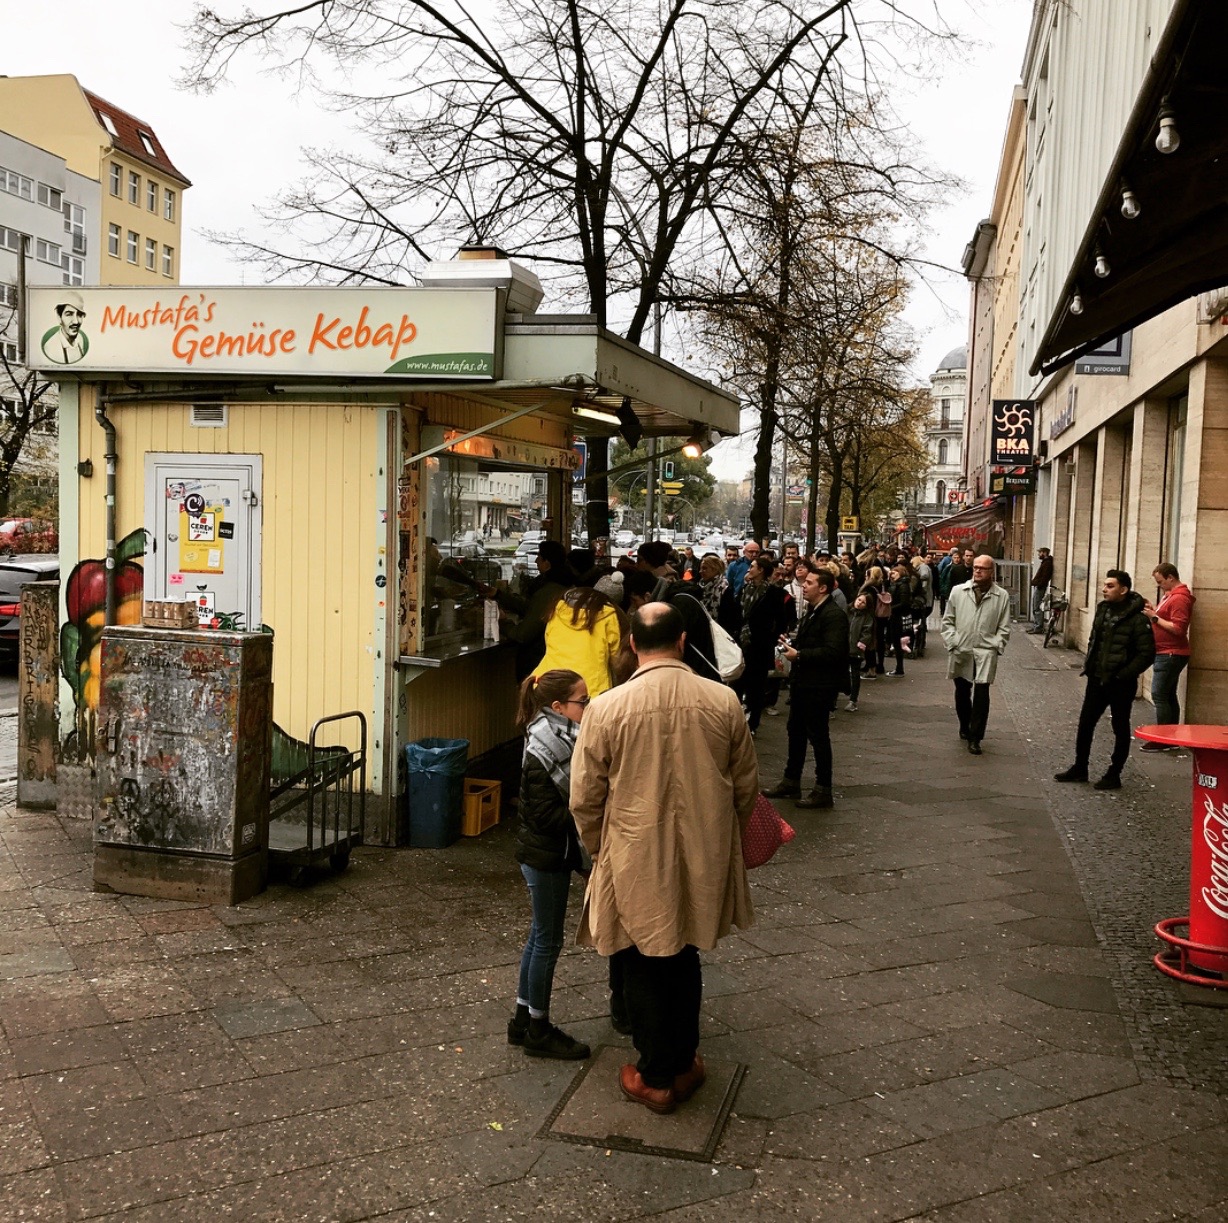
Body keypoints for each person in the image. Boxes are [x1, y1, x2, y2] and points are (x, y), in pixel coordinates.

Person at [570, 603, 758, 1113]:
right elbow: (746, 787)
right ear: (680, 641)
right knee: (685, 953)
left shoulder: (606, 707)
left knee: (639, 955)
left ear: (632, 644)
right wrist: (724, 835)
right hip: (704, 847)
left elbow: (584, 797)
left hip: (633, 850)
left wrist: (597, 848)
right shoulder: (722, 701)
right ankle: (682, 1061)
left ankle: (655, 1076)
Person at [508, 670, 592, 1061]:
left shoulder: (554, 735)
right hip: (547, 857)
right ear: (558, 707)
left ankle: (522, 1020)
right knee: (547, 942)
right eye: (582, 702)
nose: (587, 708)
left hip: (543, 855)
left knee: (539, 937)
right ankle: (538, 1029)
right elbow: (545, 816)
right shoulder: (550, 745)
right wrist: (588, 815)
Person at [1055, 569, 1156, 789]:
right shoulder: (1102, 610)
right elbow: (1095, 640)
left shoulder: (1138, 619)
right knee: (1086, 723)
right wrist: (1090, 666)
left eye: (1110, 586)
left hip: (1121, 682)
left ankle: (1114, 774)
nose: (1104, 589)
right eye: (1104, 585)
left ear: (1124, 589)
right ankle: (1080, 767)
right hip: (1097, 678)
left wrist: (1124, 674)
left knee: (1120, 726)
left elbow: (1147, 653)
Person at [764, 566, 850, 808]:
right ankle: (791, 780)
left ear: (822, 588)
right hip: (804, 684)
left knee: (818, 736)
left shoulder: (833, 615)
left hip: (819, 685)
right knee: (796, 732)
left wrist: (799, 655)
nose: (804, 585)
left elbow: (833, 651)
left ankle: (823, 789)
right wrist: (791, 644)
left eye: (810, 582)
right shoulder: (813, 611)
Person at [940, 554, 1011, 755]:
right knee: (962, 692)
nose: (978, 570)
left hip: (986, 650)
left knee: (982, 694)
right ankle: (965, 724)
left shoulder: (1001, 596)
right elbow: (947, 621)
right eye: (976, 567)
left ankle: (975, 736)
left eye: (983, 568)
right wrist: (953, 642)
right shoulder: (958, 592)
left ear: (991, 572)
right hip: (962, 648)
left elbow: (1004, 627)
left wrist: (996, 645)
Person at [493, 540, 573, 680]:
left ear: (547, 564)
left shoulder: (549, 592)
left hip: (538, 663)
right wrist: (498, 595)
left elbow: (523, 634)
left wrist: (502, 622)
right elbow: (532, 608)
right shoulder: (561, 586)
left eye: (539, 557)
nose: (536, 561)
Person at [532, 586, 627, 699]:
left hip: (549, 683)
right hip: (590, 690)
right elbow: (617, 660)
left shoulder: (557, 610)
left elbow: (549, 642)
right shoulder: (607, 615)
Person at [1140, 562, 1195, 745]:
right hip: (1167, 652)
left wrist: (1153, 617)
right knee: (1168, 694)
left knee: (1159, 694)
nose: (1159, 585)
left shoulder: (1179, 598)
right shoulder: (1170, 596)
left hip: (1171, 653)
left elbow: (1178, 628)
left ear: (1170, 577)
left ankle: (1163, 739)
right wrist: (1154, 611)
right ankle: (1170, 737)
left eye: (1161, 581)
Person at [736, 556, 789, 733]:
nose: (749, 569)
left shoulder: (773, 593)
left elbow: (781, 620)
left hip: (760, 645)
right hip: (741, 643)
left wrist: (771, 637)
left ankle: (753, 722)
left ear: (760, 571)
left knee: (756, 686)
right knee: (738, 681)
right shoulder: (744, 589)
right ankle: (738, 717)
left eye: (752, 567)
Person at [697, 553, 742, 639]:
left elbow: (731, 618)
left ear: (715, 569)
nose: (700, 571)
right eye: (700, 568)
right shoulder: (699, 586)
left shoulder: (725, 589)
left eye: (704, 568)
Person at [40, 291, 89, 365]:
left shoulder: (80, 339)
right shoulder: (51, 348)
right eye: (69, 314)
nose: (76, 321)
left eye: (79, 314)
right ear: (59, 317)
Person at [845, 590, 874, 712]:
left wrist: (862, 643)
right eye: (859, 600)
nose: (860, 603)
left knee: (855, 674)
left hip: (856, 649)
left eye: (863, 602)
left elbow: (867, 632)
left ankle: (853, 700)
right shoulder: (847, 612)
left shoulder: (867, 617)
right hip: (844, 648)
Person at [1027, 547, 1055, 633]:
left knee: (1037, 607)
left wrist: (1038, 584)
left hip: (1040, 587)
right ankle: (1036, 625)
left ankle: (1038, 627)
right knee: (1035, 606)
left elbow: (1044, 577)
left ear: (1045, 553)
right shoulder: (1045, 562)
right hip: (1039, 586)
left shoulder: (1047, 563)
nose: (1039, 554)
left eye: (1040, 553)